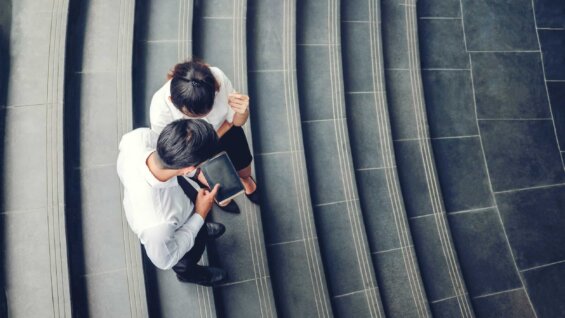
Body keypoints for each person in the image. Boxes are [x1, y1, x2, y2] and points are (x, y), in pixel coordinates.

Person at [117, 119, 227, 286]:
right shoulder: (157, 225)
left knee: (198, 226)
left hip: (179, 193)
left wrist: (195, 174)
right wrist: (199, 215)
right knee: (187, 260)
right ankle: (189, 275)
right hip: (174, 232)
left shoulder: (137, 139)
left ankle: (202, 229)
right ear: (188, 168)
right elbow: (165, 260)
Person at [150, 60, 259, 212]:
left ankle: (246, 180)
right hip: (196, 149)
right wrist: (197, 173)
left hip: (227, 132)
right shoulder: (160, 113)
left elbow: (236, 122)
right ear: (172, 101)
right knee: (218, 185)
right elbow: (177, 152)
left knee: (244, 167)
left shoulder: (217, 78)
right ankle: (223, 198)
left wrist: (243, 112)